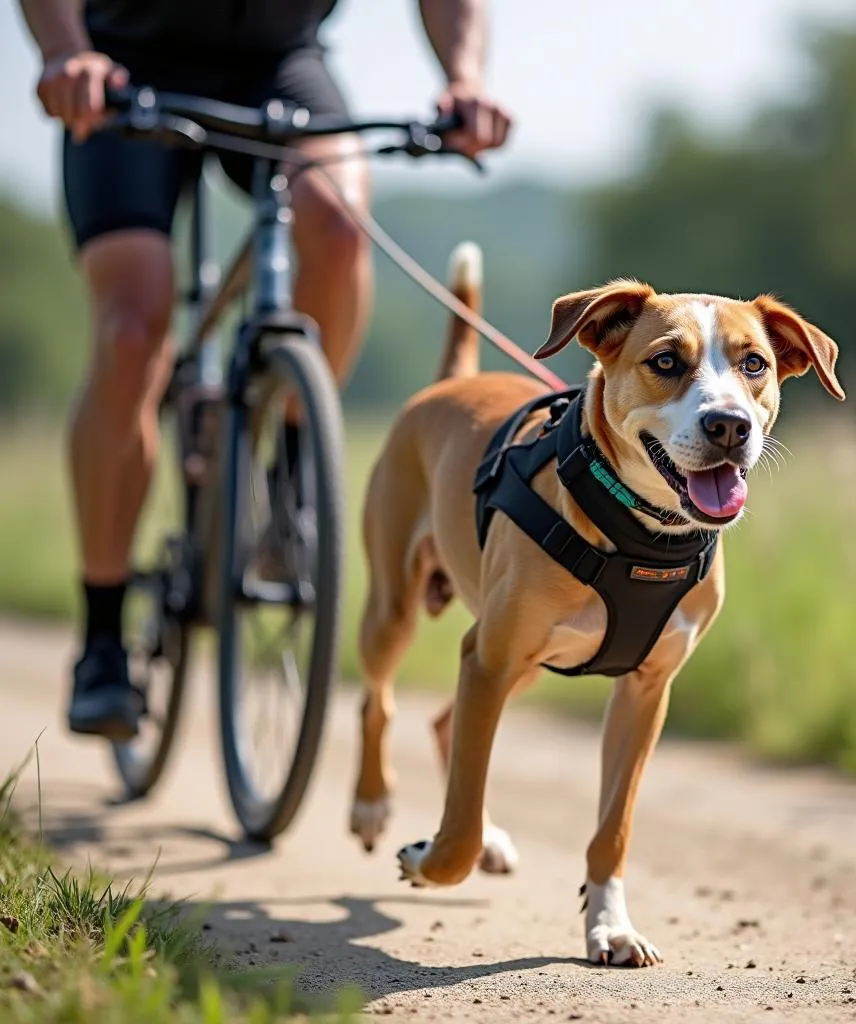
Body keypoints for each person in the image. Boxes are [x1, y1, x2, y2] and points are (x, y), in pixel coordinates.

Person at [18, 0, 512, 741]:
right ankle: (101, 637)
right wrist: (67, 52)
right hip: (122, 63)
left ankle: (285, 476)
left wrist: (465, 77)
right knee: (131, 329)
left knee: (339, 229)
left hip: (278, 64)